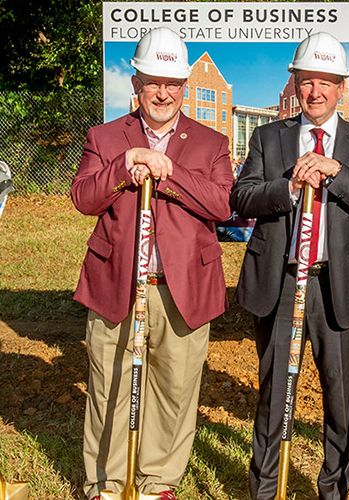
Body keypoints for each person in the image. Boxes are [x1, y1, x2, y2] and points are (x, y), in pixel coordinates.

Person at [71, 27, 233, 500]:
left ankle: (157, 483)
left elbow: (221, 205)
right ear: (137, 84)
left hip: (182, 286)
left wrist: (168, 172)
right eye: (152, 82)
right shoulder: (104, 137)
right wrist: (125, 165)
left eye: (172, 83)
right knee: (108, 387)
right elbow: (83, 196)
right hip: (117, 281)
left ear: (183, 87)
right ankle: (105, 484)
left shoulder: (210, 142)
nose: (163, 93)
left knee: (174, 390)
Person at [231, 32, 349, 500]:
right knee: (273, 396)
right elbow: (242, 198)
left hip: (338, 287)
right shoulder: (268, 137)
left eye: (325, 82)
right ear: (295, 83)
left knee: (340, 399)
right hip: (280, 284)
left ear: (341, 87)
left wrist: (336, 171)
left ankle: (333, 491)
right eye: (306, 81)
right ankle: (264, 491)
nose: (315, 91)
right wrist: (289, 186)